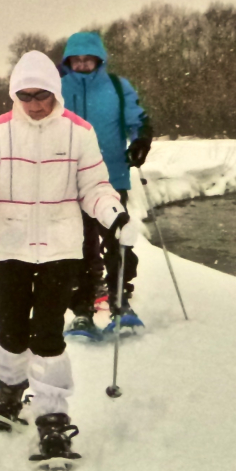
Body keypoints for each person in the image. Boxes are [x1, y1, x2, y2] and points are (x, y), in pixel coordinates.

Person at [0, 50, 130, 468]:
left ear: (55, 91)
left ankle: (53, 414)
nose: (34, 103)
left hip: (59, 248)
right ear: (16, 94)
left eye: (42, 94)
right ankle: (11, 387)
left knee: (47, 334)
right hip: (10, 246)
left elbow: (94, 185)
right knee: (11, 328)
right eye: (26, 95)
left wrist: (113, 214)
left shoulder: (78, 132)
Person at [57, 31, 153, 336]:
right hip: (68, 181)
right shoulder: (56, 88)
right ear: (68, 61)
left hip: (111, 176)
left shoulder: (116, 86)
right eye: (77, 60)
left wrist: (141, 139)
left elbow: (137, 119)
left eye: (88, 59)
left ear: (99, 60)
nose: (83, 65)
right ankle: (82, 309)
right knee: (78, 247)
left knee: (117, 241)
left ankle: (120, 301)